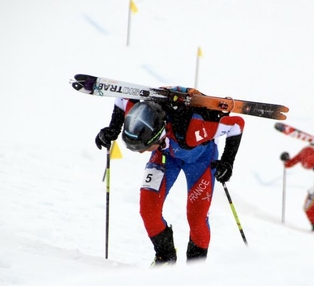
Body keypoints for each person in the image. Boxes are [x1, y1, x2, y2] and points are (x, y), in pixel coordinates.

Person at [94, 86, 244, 265]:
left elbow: (236, 125)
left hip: (200, 160)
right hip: (166, 155)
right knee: (148, 209)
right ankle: (165, 258)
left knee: (196, 218)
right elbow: (122, 98)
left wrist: (227, 161)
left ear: (157, 136)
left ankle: (195, 270)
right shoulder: (142, 112)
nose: (142, 153)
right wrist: (113, 129)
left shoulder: (194, 131)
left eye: (143, 148)